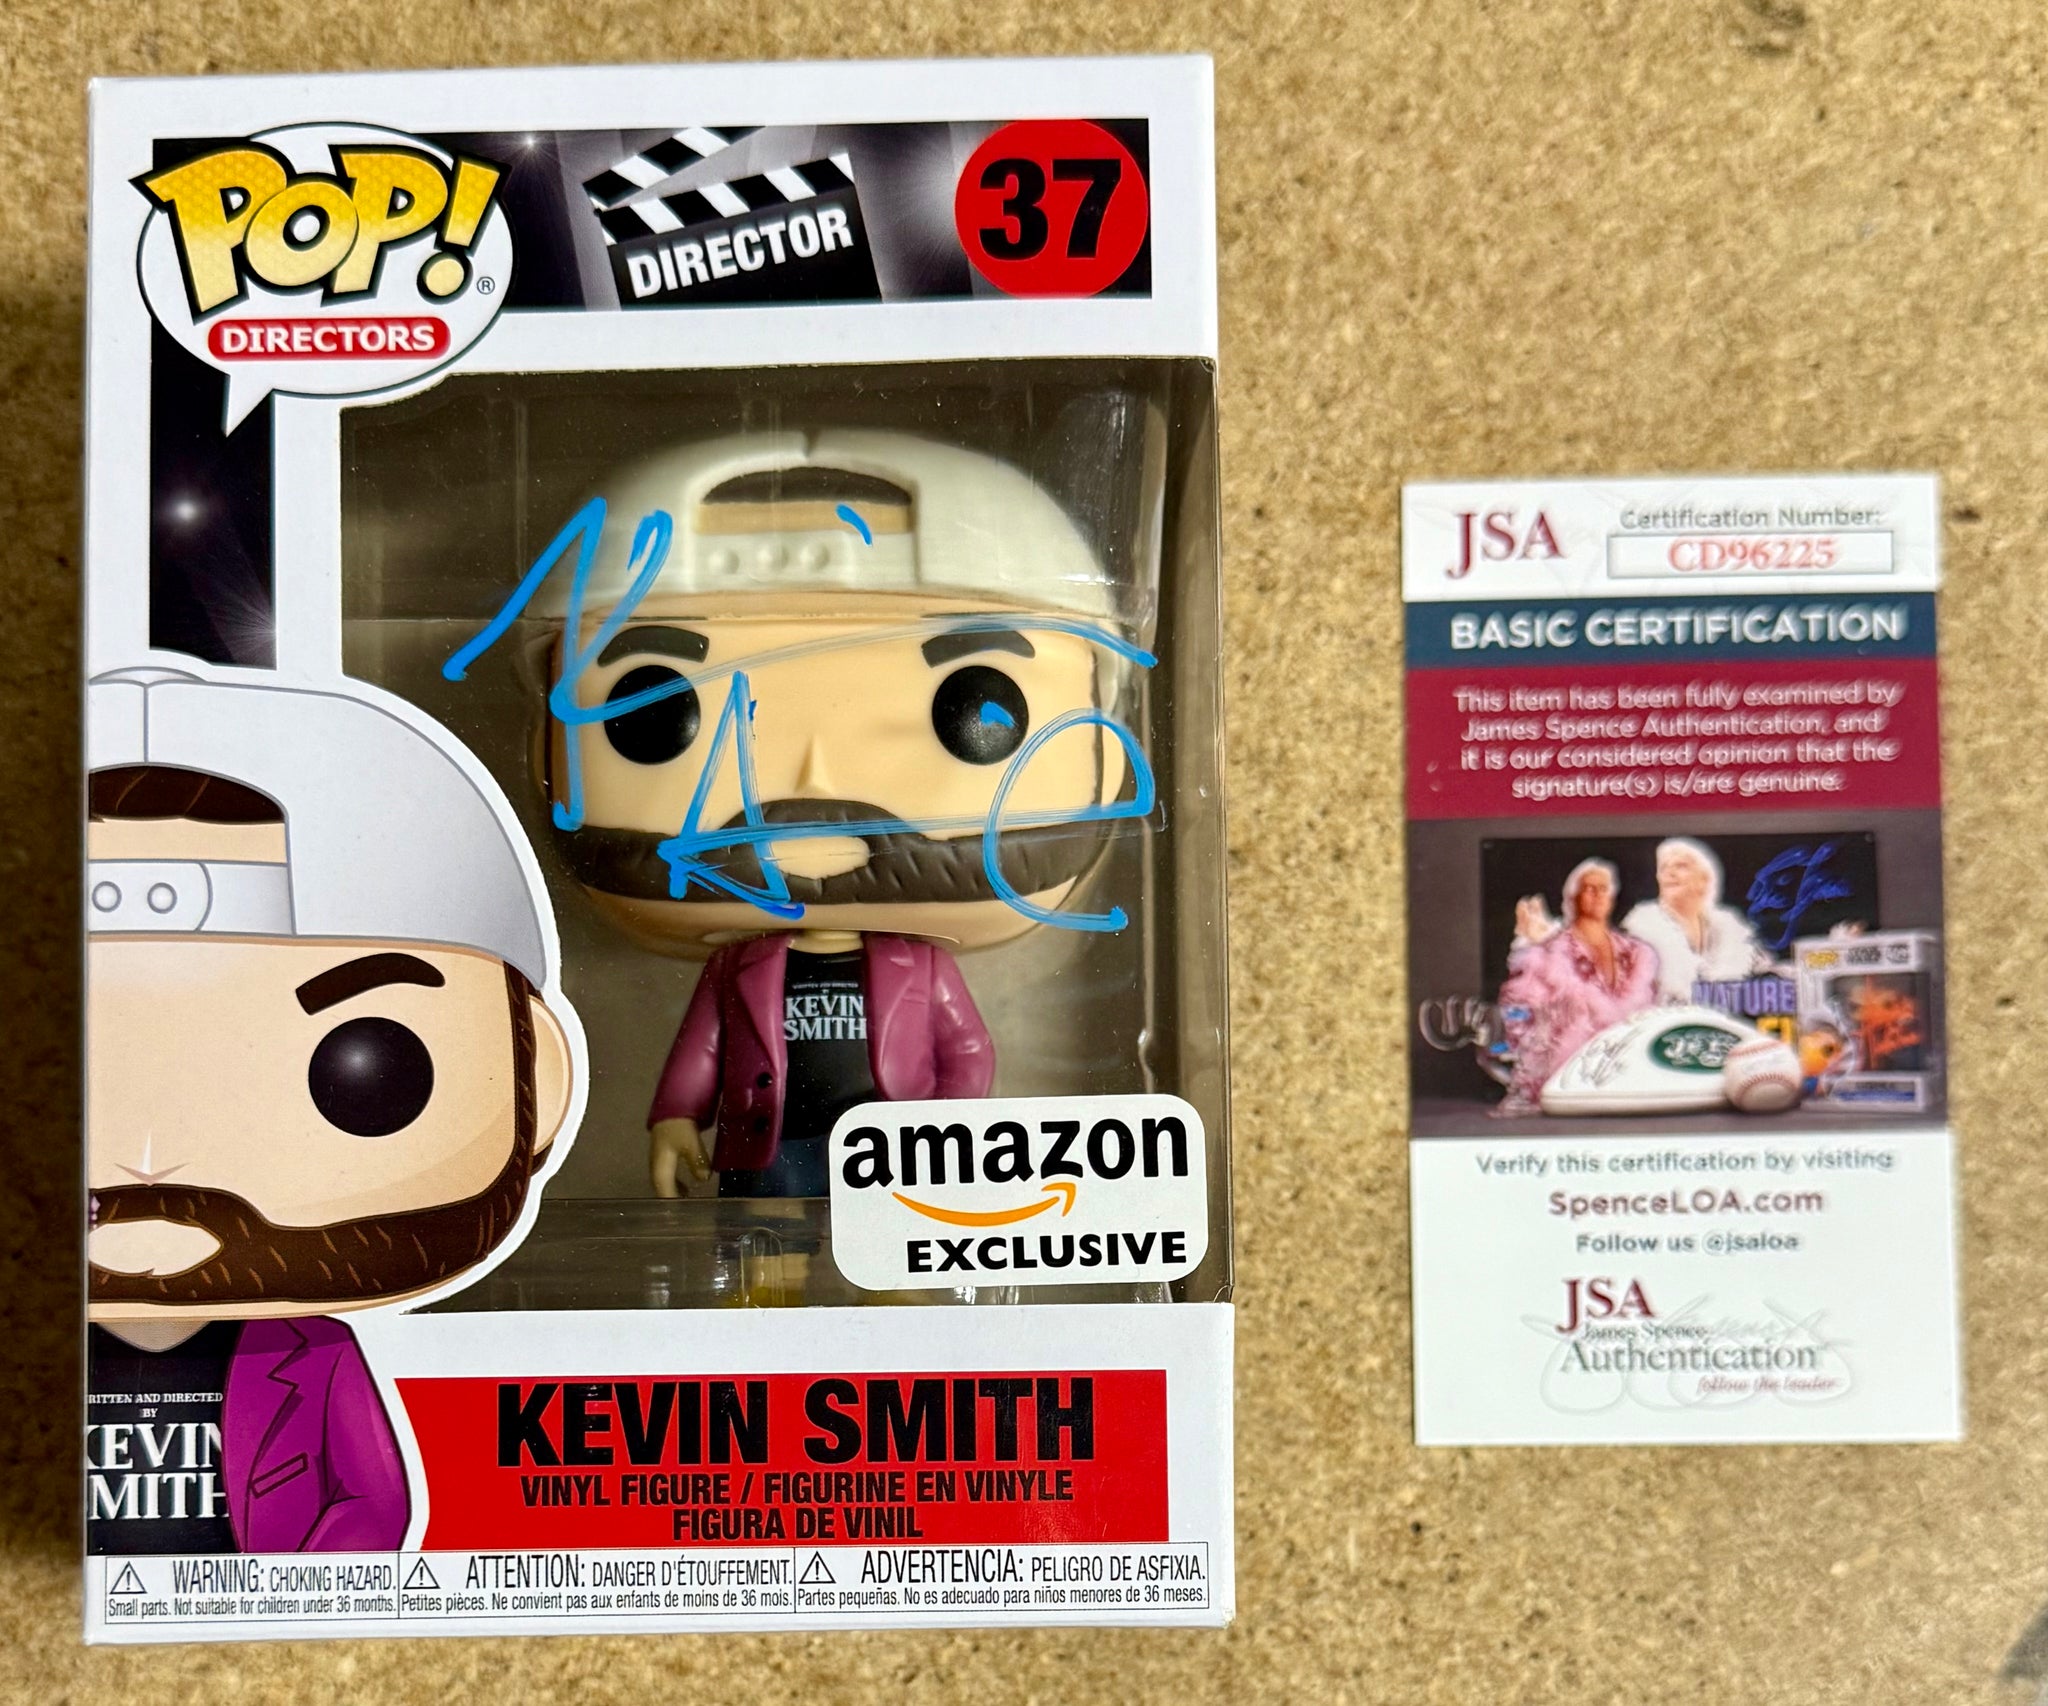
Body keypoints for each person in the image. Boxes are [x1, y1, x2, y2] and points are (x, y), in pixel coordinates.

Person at [522, 430, 1148, 1302]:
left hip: (893, 1157)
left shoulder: (919, 965)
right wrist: (673, 1119)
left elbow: (968, 1050)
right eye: (651, 709)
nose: (813, 787)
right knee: (761, 1273)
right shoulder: (738, 967)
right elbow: (702, 1047)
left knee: (898, 1278)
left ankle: (900, 1340)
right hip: (767, 1147)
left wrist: (947, 1139)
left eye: (976, 708)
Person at [86, 670, 577, 1554]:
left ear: (537, 1078)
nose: (150, 1157)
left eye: (363, 1073)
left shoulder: (311, 1353)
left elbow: (369, 1505)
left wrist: (295, 1602)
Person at [1495, 858, 1659, 1116]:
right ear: (1574, 897)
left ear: (1612, 896)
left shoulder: (1635, 953)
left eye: (1603, 888)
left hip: (1624, 1076)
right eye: (1589, 888)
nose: (1597, 894)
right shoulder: (1549, 954)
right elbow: (1521, 1020)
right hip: (1566, 1077)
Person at [1620, 836, 1769, 1004]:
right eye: (1663, 868)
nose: (1669, 873)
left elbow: (1767, 973)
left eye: (1681, 866)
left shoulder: (1731, 929)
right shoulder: (1639, 930)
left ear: (1704, 880)